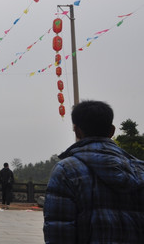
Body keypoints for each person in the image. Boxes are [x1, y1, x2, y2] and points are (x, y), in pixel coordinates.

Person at [43, 100, 144, 243]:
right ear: (112, 131)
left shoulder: (67, 171)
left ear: (77, 130)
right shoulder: (139, 169)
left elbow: (59, 232)